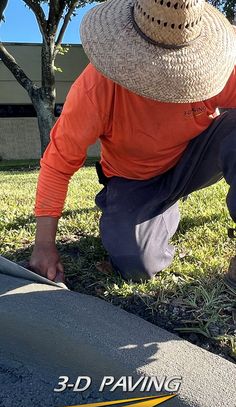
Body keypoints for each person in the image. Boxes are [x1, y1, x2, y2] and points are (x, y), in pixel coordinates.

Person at [30, 0, 236, 283]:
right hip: (135, 180)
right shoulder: (95, 89)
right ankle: (152, 211)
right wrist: (43, 246)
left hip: (194, 158)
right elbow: (57, 164)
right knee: (136, 263)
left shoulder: (216, 69)